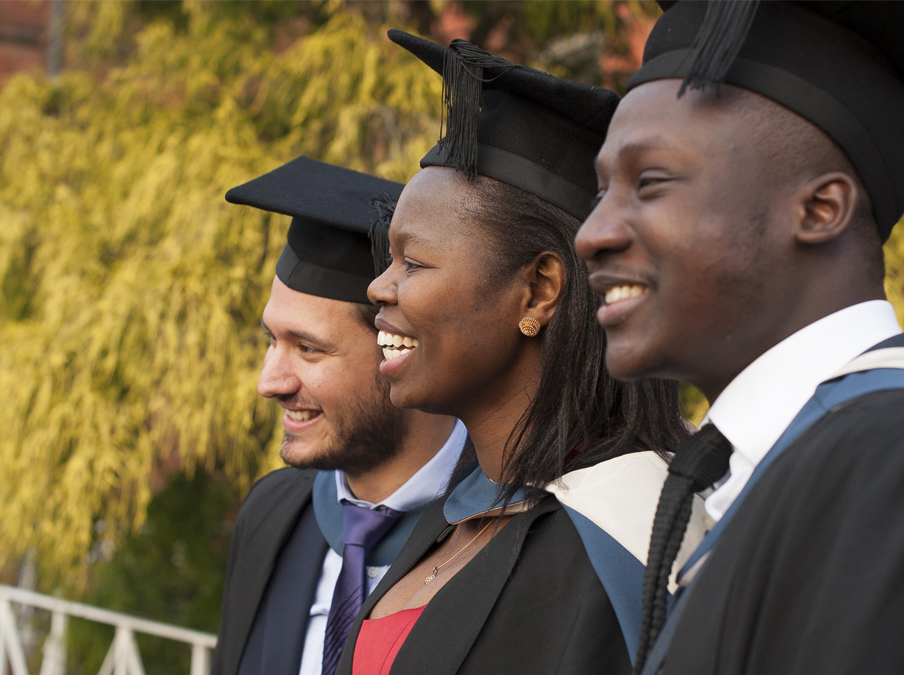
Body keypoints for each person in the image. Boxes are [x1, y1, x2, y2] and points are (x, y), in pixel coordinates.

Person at [575, 2, 904, 673]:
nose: (592, 233)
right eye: (600, 192)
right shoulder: (762, 468)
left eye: (649, 183)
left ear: (821, 209)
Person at [334, 32, 696, 675]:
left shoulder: (635, 540)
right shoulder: (463, 508)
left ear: (539, 290)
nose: (377, 288)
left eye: (412, 262)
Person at [211, 157, 466, 675]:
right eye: (271, 341)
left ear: (402, 353)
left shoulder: (501, 536)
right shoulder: (272, 514)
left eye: (308, 349)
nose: (269, 383)